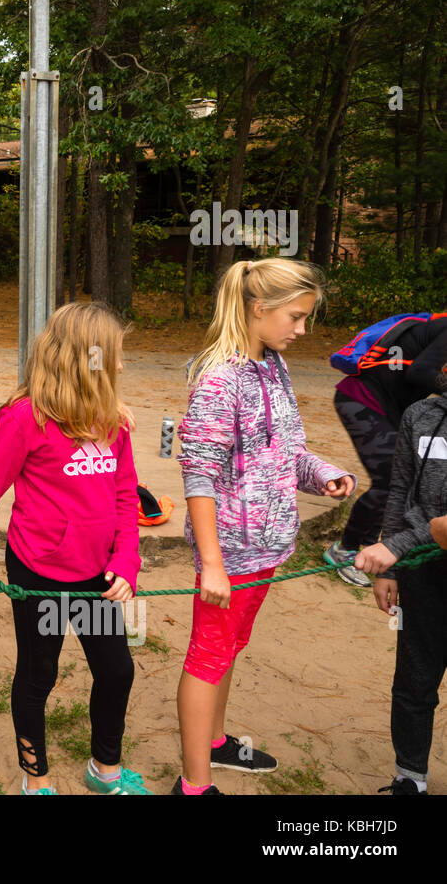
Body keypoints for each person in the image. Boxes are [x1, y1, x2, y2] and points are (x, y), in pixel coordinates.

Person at [0, 302, 149, 795]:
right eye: (115, 354)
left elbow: (124, 497)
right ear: (85, 358)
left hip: (98, 579)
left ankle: (104, 771)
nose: (121, 364)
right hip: (38, 574)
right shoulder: (25, 418)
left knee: (116, 671)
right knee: (38, 675)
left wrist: (126, 562)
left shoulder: (113, 420)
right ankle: (37, 780)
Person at [173, 258, 355, 796]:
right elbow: (198, 475)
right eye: (296, 317)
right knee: (207, 658)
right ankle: (194, 787)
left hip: (269, 545)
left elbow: (286, 451)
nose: (303, 330)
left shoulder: (273, 366)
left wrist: (322, 474)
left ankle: (214, 742)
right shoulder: (218, 378)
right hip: (229, 554)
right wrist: (211, 563)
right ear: (259, 309)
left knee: (229, 649)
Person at [351, 375, 447, 795]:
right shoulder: (420, 416)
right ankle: (411, 777)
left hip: (412, 548)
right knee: (414, 676)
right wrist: (390, 568)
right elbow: (401, 492)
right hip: (423, 576)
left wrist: (398, 544)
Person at [325, 309, 447, 587]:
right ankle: (344, 549)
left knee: (397, 479)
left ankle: (369, 546)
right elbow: (422, 371)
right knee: (389, 479)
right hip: (361, 401)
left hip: (386, 408)